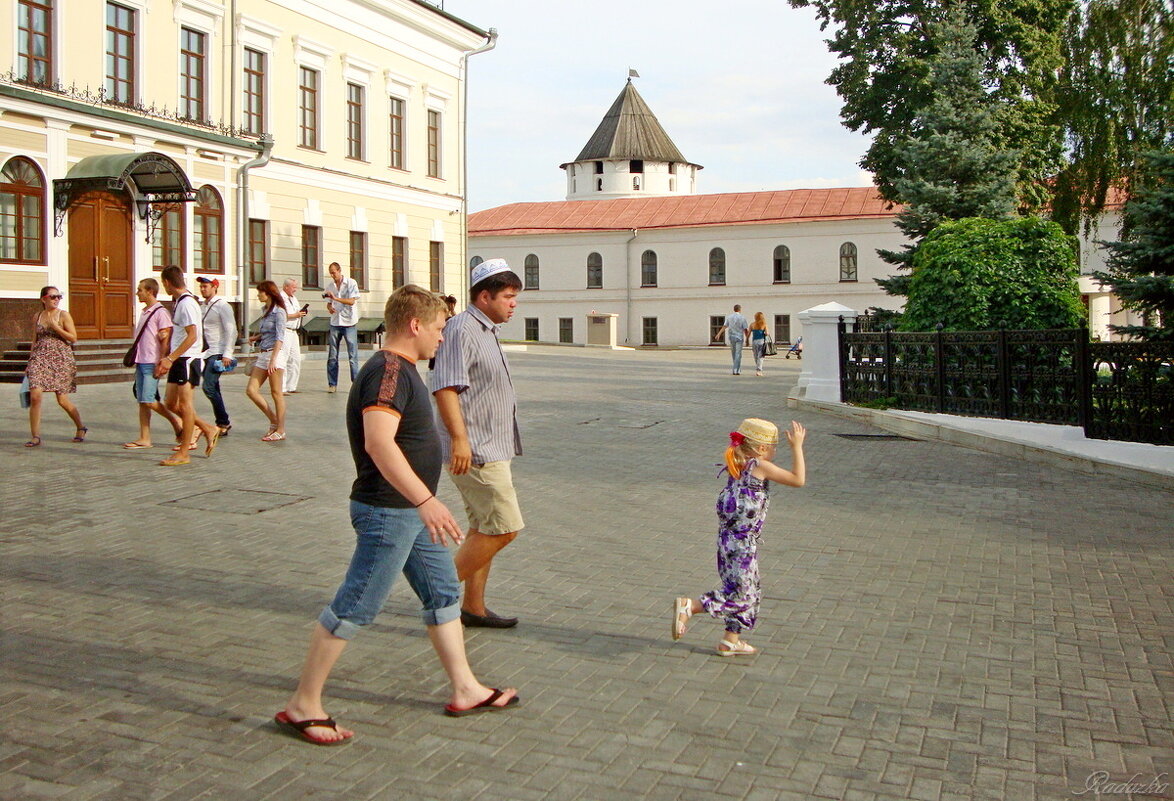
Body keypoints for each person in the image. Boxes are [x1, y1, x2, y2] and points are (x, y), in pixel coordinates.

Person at [276, 285, 520, 746]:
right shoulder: (388, 371)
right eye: (438, 327)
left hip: (409, 514)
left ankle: (466, 688)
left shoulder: (403, 370)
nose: (442, 337)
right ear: (414, 326)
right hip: (388, 512)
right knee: (357, 604)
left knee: (444, 591)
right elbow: (379, 442)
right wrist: (426, 500)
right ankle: (303, 705)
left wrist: (423, 504)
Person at [431, 258, 525, 629]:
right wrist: (459, 440)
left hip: (491, 445)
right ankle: (437, 591)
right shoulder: (462, 330)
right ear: (484, 297)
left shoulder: (486, 329)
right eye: (508, 296)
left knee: (485, 527)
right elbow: (446, 387)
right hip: (476, 449)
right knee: (504, 527)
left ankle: (473, 607)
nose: (513, 303)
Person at [672, 418, 806, 656]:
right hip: (742, 544)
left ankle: (731, 640)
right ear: (762, 449)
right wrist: (797, 446)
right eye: (775, 447)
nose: (776, 451)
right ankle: (690, 606)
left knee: (749, 591)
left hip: (727, 541)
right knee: (741, 595)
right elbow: (798, 480)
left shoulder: (738, 463)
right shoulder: (759, 466)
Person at [157, 266, 220, 466]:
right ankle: (207, 428)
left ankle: (184, 452)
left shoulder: (186, 304)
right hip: (179, 359)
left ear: (167, 282)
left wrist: (170, 358)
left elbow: (193, 336)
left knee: (185, 406)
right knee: (170, 403)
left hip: (187, 359)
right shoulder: (181, 302)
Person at [123, 278, 182, 450]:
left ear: (150, 291)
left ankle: (176, 422)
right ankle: (144, 437)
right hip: (141, 360)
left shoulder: (160, 312)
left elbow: (165, 338)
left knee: (148, 400)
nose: (137, 293)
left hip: (151, 361)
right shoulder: (145, 312)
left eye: (140, 290)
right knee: (142, 401)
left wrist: (161, 361)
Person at [24, 286, 85, 447]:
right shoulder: (37, 316)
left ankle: (80, 427)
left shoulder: (63, 315)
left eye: (59, 296)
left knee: (62, 400)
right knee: (35, 396)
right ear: (43, 298)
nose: (56, 299)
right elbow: (34, 340)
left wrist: (56, 327)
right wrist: (30, 362)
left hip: (61, 359)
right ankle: (35, 436)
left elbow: (73, 338)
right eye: (53, 297)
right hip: (39, 358)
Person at [245, 280, 288, 442]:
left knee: (276, 393)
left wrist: (273, 360)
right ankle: (273, 420)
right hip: (263, 353)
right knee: (251, 390)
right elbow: (268, 332)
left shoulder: (279, 312)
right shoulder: (265, 310)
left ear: (268, 293)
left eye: (260, 292)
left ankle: (281, 429)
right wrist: (256, 337)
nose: (258, 294)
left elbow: (280, 337)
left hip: (274, 354)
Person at [197, 276, 237, 438]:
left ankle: (223, 421)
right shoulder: (202, 306)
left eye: (206, 286)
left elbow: (231, 330)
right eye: (201, 286)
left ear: (214, 287)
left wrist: (228, 353)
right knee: (214, 386)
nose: (202, 289)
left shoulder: (222, 306)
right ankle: (222, 422)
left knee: (208, 386)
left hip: (218, 352)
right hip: (206, 352)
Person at [324, 262, 360, 393]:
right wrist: (330, 307)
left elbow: (352, 301)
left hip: (349, 322)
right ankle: (332, 383)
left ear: (339, 271)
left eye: (334, 272)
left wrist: (336, 299)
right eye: (331, 273)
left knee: (352, 355)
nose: (332, 275)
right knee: (332, 355)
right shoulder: (330, 285)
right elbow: (328, 303)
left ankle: (355, 384)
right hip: (335, 322)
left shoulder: (351, 283)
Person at [281, 278, 307, 394]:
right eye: (293, 287)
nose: (295, 290)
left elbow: (297, 313)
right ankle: (282, 387)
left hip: (294, 331)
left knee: (295, 358)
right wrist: (296, 315)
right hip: (285, 330)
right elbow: (282, 315)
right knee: (284, 358)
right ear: (286, 287)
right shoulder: (281, 298)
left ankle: (291, 386)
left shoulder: (294, 298)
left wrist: (301, 314)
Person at [714, 304, 749, 375]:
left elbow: (725, 326)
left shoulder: (729, 317)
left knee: (734, 353)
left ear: (734, 309)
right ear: (740, 309)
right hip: (739, 337)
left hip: (732, 337)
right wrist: (747, 338)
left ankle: (736, 368)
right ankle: (736, 369)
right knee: (738, 354)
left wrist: (719, 334)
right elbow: (745, 329)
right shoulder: (742, 318)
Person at [749, 311, 769, 377]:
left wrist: (746, 341)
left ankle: (758, 368)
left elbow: (748, 334)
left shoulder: (752, 324)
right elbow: (767, 333)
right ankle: (759, 370)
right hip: (761, 341)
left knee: (755, 355)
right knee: (760, 356)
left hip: (754, 342)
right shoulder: (764, 324)